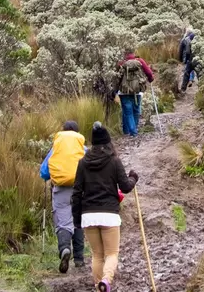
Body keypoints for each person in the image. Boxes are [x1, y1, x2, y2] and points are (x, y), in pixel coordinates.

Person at [71, 123, 137, 292]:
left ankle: (98, 286)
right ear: (108, 142)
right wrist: (133, 178)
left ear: (92, 143)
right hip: (109, 214)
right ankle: (106, 280)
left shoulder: (83, 162)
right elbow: (126, 187)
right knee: (112, 254)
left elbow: (77, 192)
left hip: (88, 215)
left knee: (97, 255)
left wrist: (77, 219)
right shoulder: (114, 161)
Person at [39, 121, 86, 274]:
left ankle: (65, 249)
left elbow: (44, 172)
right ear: (77, 133)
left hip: (60, 190)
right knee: (78, 221)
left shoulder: (56, 148)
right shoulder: (82, 147)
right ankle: (79, 259)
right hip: (80, 189)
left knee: (63, 222)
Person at [115, 50, 154, 136]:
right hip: (137, 91)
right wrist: (151, 79)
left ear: (125, 54)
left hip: (124, 92)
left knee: (127, 112)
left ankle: (130, 131)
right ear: (133, 53)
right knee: (136, 111)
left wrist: (115, 90)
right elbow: (149, 73)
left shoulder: (121, 63)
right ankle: (133, 130)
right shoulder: (140, 61)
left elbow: (116, 77)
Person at [177, 28, 197, 92]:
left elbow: (181, 50)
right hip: (197, 59)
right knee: (198, 73)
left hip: (189, 59)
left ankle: (183, 89)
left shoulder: (185, 39)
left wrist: (181, 59)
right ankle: (202, 89)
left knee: (186, 73)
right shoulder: (197, 39)